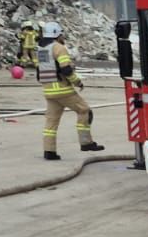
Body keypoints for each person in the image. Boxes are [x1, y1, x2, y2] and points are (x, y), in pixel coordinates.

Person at [36, 21, 104, 161]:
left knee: (51, 122)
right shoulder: (59, 48)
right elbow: (66, 69)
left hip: (48, 91)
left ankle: (49, 151)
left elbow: (39, 71)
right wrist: (77, 82)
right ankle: (86, 143)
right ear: (56, 34)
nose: (63, 37)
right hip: (63, 90)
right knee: (84, 110)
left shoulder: (41, 49)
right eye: (61, 34)